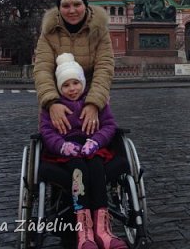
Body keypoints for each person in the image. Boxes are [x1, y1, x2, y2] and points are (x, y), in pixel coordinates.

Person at [40, 53, 127, 249]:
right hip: (65, 152)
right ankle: (84, 233)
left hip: (92, 148)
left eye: (75, 83)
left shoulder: (96, 102)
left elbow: (109, 125)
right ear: (59, 87)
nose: (72, 89)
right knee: (78, 171)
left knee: (96, 167)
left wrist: (95, 142)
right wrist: (62, 145)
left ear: (83, 82)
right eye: (66, 85)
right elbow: (46, 131)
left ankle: (103, 231)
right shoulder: (52, 107)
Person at [34, 0, 114, 136]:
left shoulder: (99, 30)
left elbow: (104, 68)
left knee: (100, 146)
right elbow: (42, 69)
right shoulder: (49, 31)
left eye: (77, 4)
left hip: (91, 99)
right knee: (56, 148)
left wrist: (94, 103)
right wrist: (52, 103)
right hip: (59, 101)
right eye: (65, 6)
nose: (72, 10)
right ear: (59, 8)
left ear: (85, 4)